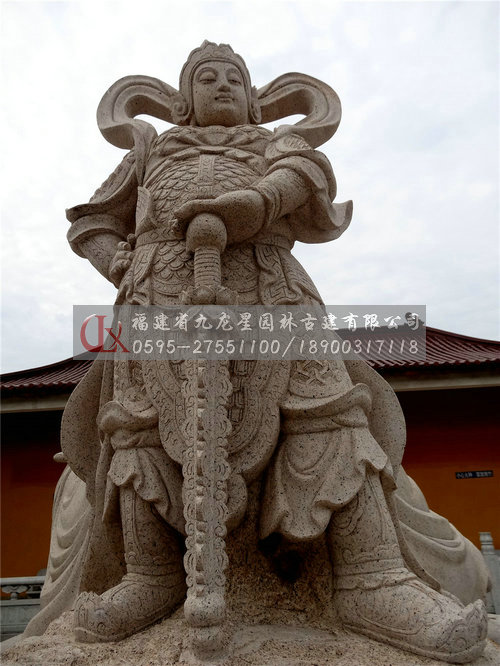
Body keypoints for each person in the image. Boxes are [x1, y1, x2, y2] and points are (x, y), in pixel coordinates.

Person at [62, 41, 487, 662]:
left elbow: (305, 177)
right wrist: (117, 262)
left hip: (271, 289)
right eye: (206, 78)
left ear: (255, 98)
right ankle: (151, 576)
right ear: (182, 100)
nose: (221, 85)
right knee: (139, 428)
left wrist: (255, 205)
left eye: (234, 78)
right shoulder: (151, 152)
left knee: (329, 411)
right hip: (157, 297)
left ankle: (372, 577)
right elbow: (90, 223)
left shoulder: (275, 143)